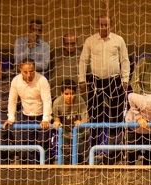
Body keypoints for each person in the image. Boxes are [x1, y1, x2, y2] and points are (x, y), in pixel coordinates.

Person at [78, 16, 130, 147]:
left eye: (106, 25)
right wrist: (82, 79)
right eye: (101, 24)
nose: (104, 27)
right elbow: (83, 61)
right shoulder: (90, 41)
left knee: (117, 112)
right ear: (97, 25)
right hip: (95, 81)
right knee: (94, 113)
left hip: (114, 80)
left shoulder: (119, 40)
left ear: (111, 25)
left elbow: (125, 60)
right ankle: (94, 146)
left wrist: (125, 79)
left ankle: (115, 145)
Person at [4, 58, 52, 165]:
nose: (29, 75)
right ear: (20, 70)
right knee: (28, 146)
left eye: (31, 71)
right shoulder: (16, 81)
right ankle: (31, 168)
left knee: (44, 144)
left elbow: (47, 100)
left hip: (41, 117)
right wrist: (11, 118)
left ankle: (46, 168)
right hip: (26, 116)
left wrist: (46, 118)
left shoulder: (42, 80)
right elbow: (12, 100)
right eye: (25, 72)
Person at [52, 80, 89, 164]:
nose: (69, 96)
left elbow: (86, 118)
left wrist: (81, 122)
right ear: (62, 93)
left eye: (72, 94)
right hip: (66, 133)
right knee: (66, 158)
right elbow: (56, 116)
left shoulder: (80, 100)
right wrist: (56, 121)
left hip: (80, 133)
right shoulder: (57, 102)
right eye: (66, 94)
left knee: (81, 158)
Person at [49, 33, 80, 99]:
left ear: (76, 43)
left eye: (73, 43)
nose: (70, 46)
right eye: (67, 44)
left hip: (74, 94)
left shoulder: (81, 55)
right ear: (63, 44)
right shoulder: (54, 54)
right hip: (55, 92)